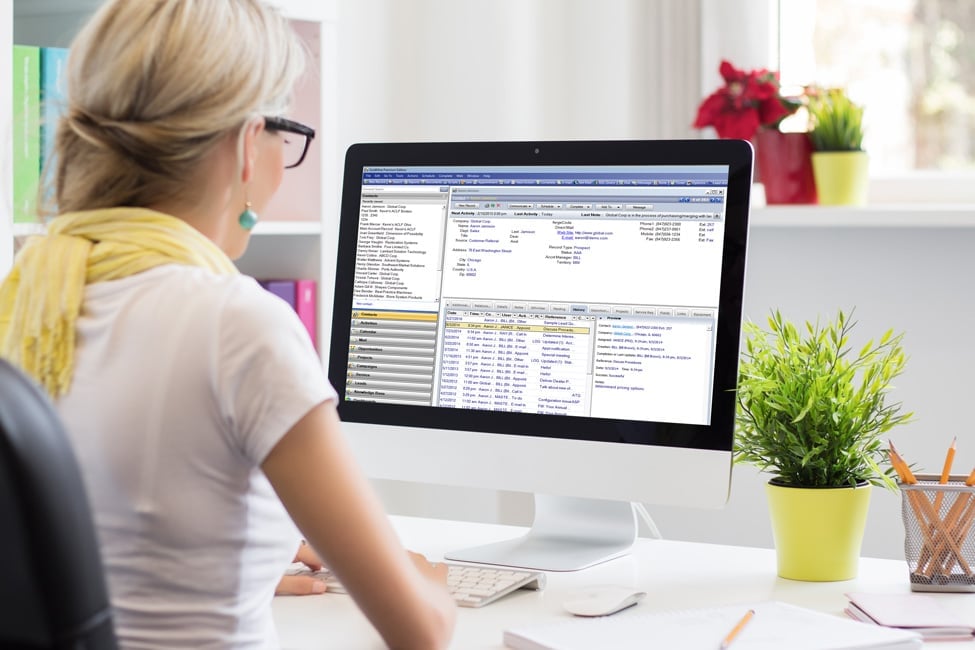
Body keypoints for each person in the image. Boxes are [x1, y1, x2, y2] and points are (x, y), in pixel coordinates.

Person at [0, 1, 456, 648]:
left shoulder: (30, 297)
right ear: (247, 142)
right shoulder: (237, 325)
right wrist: (433, 586)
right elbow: (421, 631)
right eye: (286, 132)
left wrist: (239, 563)